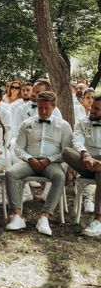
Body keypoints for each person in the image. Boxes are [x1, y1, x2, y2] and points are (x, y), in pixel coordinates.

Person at [5, 91, 73, 236]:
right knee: (10, 173)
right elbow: (18, 148)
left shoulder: (63, 125)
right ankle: (17, 215)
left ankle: (45, 217)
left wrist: (49, 159)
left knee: (59, 176)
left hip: (51, 163)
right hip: (30, 161)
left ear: (54, 107)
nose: (42, 111)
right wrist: (30, 159)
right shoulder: (27, 124)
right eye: (40, 107)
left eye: (46, 108)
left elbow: (66, 151)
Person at [63, 95, 101, 235]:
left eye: (97, 109)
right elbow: (77, 139)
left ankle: (98, 220)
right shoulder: (82, 121)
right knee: (67, 152)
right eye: (92, 108)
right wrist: (85, 154)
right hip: (86, 163)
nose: (92, 110)